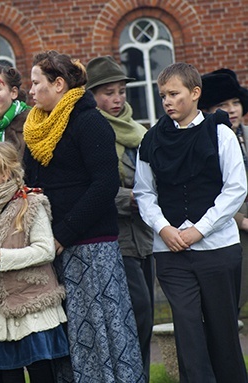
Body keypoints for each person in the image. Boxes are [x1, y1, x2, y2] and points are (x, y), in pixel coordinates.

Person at [22, 50, 145, 382]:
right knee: (70, 338)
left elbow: (104, 185)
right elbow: (31, 183)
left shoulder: (89, 121)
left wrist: (64, 233)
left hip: (90, 248)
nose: (30, 91)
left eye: (36, 83)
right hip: (52, 248)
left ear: (59, 84)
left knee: (99, 334)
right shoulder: (35, 128)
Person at [134, 63, 248, 382]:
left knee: (222, 333)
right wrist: (163, 228)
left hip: (218, 248)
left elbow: (236, 187)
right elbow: (144, 192)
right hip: (171, 252)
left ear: (195, 93)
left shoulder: (220, 133)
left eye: (174, 94)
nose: (167, 101)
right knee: (187, 331)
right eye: (162, 96)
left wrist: (200, 228)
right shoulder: (151, 139)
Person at [0, 142, 69, 382]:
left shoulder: (30, 203)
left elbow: (45, 250)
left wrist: (4, 258)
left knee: (42, 374)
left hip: (33, 305)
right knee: (8, 376)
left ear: (5, 173)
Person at [85, 56, 154, 381]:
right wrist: (131, 199)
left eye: (121, 92)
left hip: (146, 235)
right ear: (93, 95)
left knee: (147, 312)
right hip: (115, 235)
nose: (116, 100)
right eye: (108, 93)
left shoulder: (139, 132)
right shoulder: (93, 132)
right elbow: (95, 187)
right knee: (136, 310)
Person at [199, 68, 248, 311]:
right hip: (228, 230)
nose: (231, 109)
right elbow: (205, 191)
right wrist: (241, 220)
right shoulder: (207, 142)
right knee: (230, 304)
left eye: (236, 102)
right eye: (222, 104)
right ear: (207, 110)